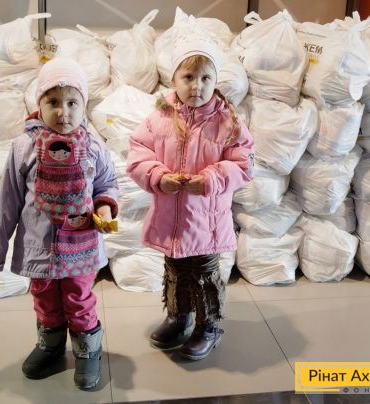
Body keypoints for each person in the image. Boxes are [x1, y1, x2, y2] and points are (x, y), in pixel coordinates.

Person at [0, 57, 118, 389]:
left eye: (72, 102)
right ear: (38, 104)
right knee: (44, 298)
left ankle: (87, 349)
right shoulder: (24, 148)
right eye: (53, 102)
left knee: (78, 298)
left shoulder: (94, 148)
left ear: (84, 106)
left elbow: (106, 185)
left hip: (80, 246)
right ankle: (51, 344)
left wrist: (105, 208)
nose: (63, 112)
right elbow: (6, 202)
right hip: (38, 247)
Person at [126, 36, 254, 361]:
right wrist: (158, 176)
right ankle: (178, 317)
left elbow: (243, 163)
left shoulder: (227, 122)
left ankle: (208, 325)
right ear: (174, 80)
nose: (197, 86)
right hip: (171, 218)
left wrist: (211, 179)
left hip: (207, 220)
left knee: (204, 273)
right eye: (188, 77)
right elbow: (139, 153)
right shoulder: (159, 118)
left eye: (206, 78)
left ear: (215, 81)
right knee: (176, 269)